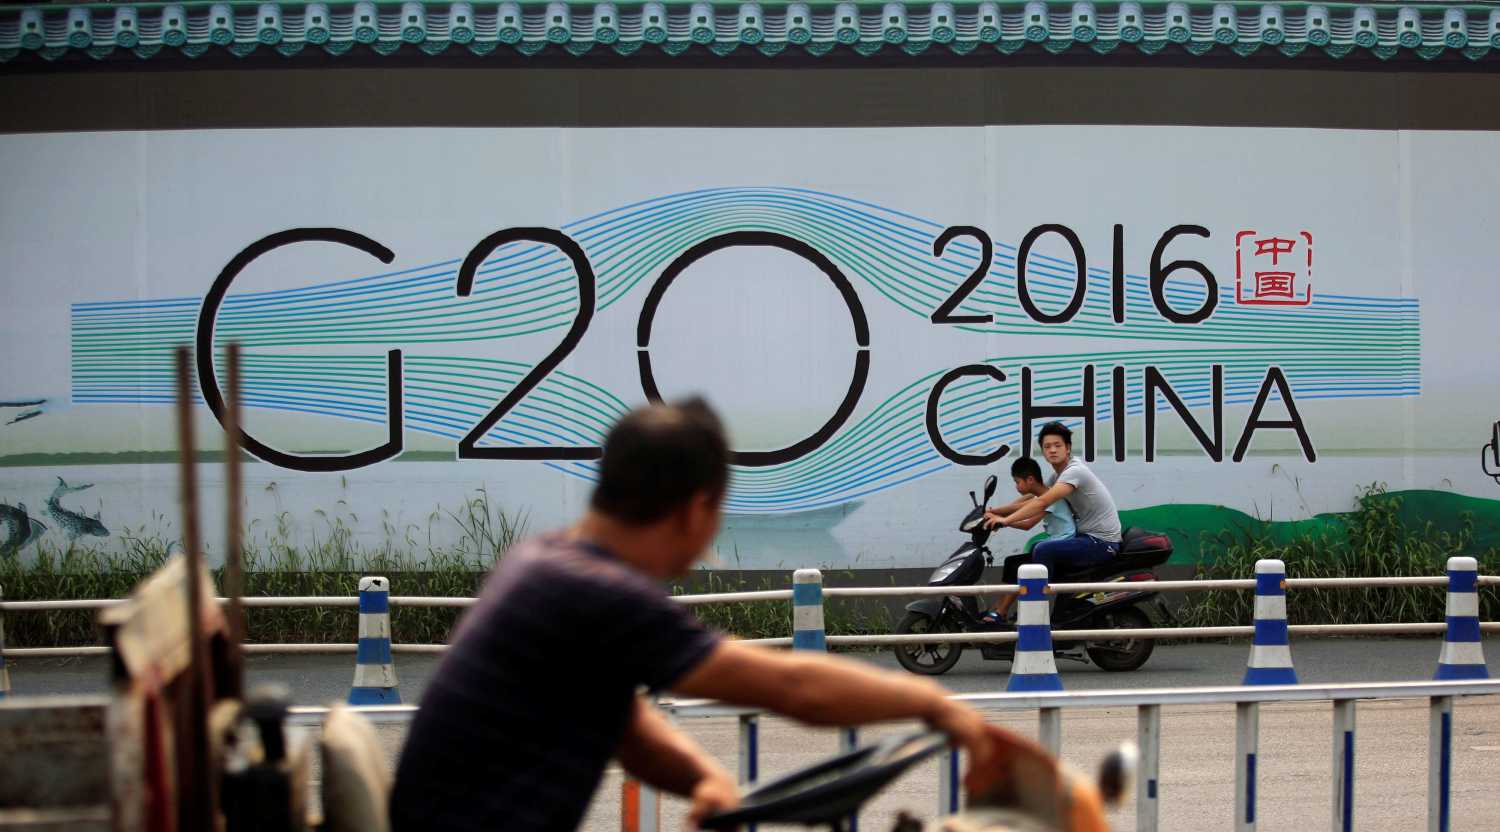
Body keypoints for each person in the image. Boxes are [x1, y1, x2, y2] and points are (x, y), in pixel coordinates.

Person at [389, 397, 998, 832]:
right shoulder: (596, 594)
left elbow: (627, 728)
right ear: (695, 509)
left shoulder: (545, 564)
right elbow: (793, 687)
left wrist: (705, 780)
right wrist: (932, 705)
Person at [982, 422, 1122, 619]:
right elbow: (1030, 499)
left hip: (1101, 542)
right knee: (1021, 560)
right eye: (1047, 447)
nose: (1052, 450)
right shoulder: (1058, 476)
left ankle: (1034, 613)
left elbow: (1043, 502)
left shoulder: (1075, 472)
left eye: (1057, 445)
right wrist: (993, 511)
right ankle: (1000, 612)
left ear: (1068, 448)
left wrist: (1005, 521)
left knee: (1042, 550)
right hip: (1084, 538)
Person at [978, 456, 1077, 624]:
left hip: (1061, 547)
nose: (1017, 486)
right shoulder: (1042, 495)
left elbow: (1028, 524)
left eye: (1018, 482)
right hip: (1054, 543)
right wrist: (996, 515)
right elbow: (1018, 506)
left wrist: (1003, 522)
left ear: (1030, 480)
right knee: (1011, 562)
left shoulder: (1050, 499)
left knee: (1019, 567)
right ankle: (998, 608)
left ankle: (1001, 611)